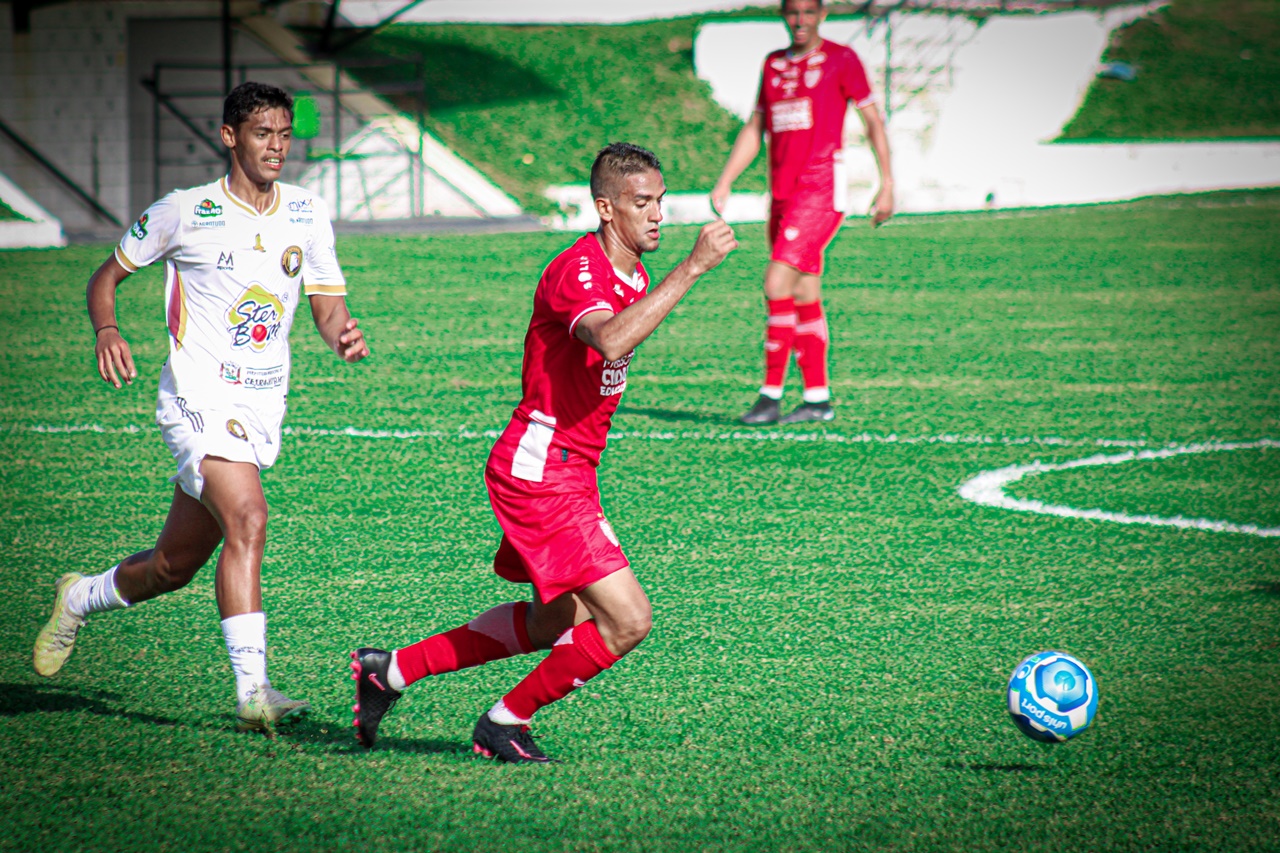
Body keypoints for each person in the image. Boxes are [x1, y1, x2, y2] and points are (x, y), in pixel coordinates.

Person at [350, 142, 736, 763]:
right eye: (642, 203)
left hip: (569, 470)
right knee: (629, 620)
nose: (657, 214)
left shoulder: (631, 269)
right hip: (542, 471)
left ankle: (388, 671)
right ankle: (504, 722)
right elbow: (609, 340)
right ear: (606, 209)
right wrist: (691, 269)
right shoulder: (576, 272)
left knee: (551, 624)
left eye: (661, 201)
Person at [32, 81, 370, 733]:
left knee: (172, 567)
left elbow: (328, 304)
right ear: (229, 137)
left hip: (262, 404)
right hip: (196, 395)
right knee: (248, 516)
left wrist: (343, 334)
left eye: (283, 133)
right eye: (262, 133)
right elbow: (105, 276)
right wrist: (107, 328)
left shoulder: (306, 212)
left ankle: (78, 595)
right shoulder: (184, 211)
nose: (276, 145)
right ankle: (254, 693)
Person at [712, 0, 894, 425]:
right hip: (782, 195)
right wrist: (726, 180)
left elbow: (873, 122)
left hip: (820, 190)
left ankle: (769, 396)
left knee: (775, 282)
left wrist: (888, 184)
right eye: (793, 12)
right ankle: (817, 399)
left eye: (809, 12)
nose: (800, 20)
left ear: (822, 15)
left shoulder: (841, 60)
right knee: (804, 293)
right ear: (783, 15)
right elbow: (756, 127)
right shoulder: (772, 65)